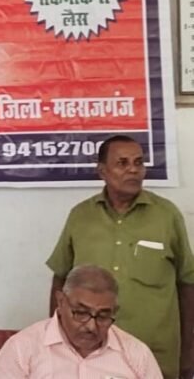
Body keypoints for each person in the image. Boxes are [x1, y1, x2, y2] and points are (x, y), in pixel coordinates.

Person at [46, 134, 194, 379]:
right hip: (90, 356)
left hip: (155, 355)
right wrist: (56, 341)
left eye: (138, 162)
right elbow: (61, 279)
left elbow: (188, 283)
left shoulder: (167, 216)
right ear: (102, 171)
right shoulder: (80, 217)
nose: (133, 170)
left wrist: (189, 353)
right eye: (122, 163)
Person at [0, 265, 163, 378]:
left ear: (114, 312)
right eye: (81, 313)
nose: (91, 326)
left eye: (102, 316)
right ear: (60, 302)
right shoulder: (22, 349)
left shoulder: (137, 355)